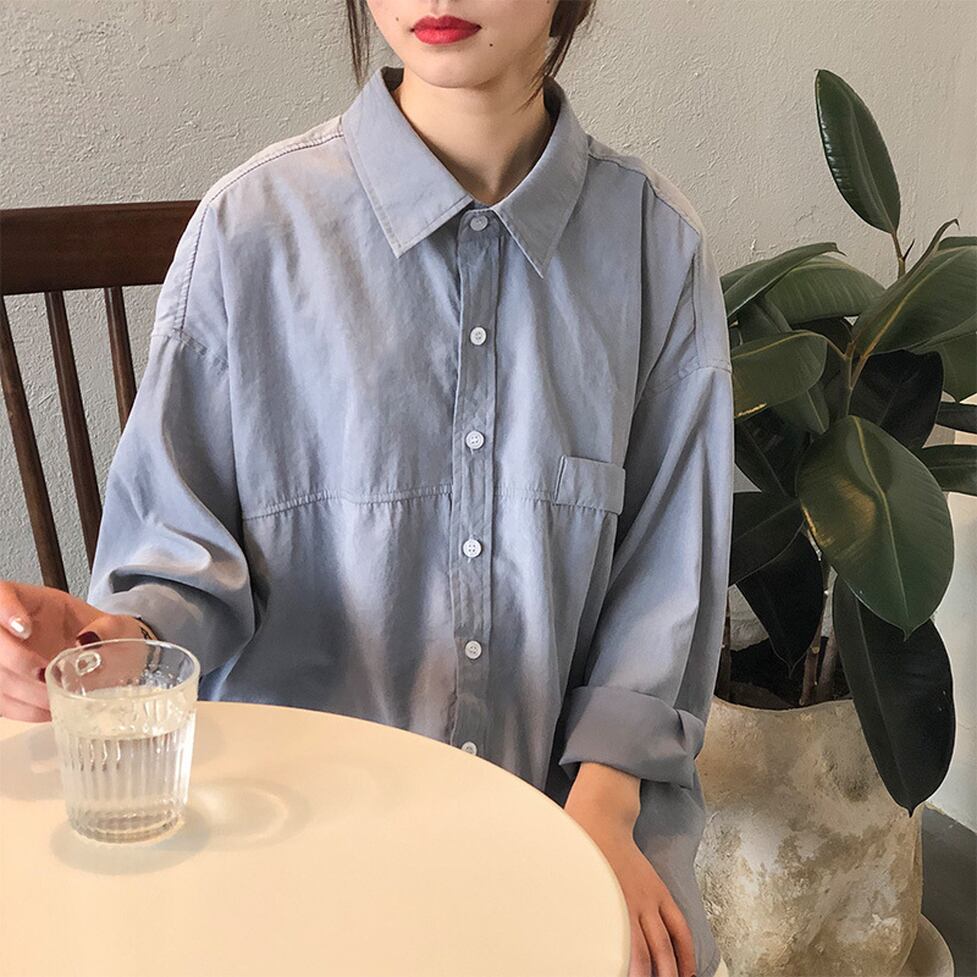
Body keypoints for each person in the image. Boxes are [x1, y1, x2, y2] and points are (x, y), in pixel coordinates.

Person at [0, 3, 735, 976]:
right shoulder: (249, 232)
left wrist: (601, 808)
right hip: (284, 837)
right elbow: (180, 561)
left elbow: (665, 584)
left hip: (572, 808)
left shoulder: (655, 248)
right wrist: (113, 641)